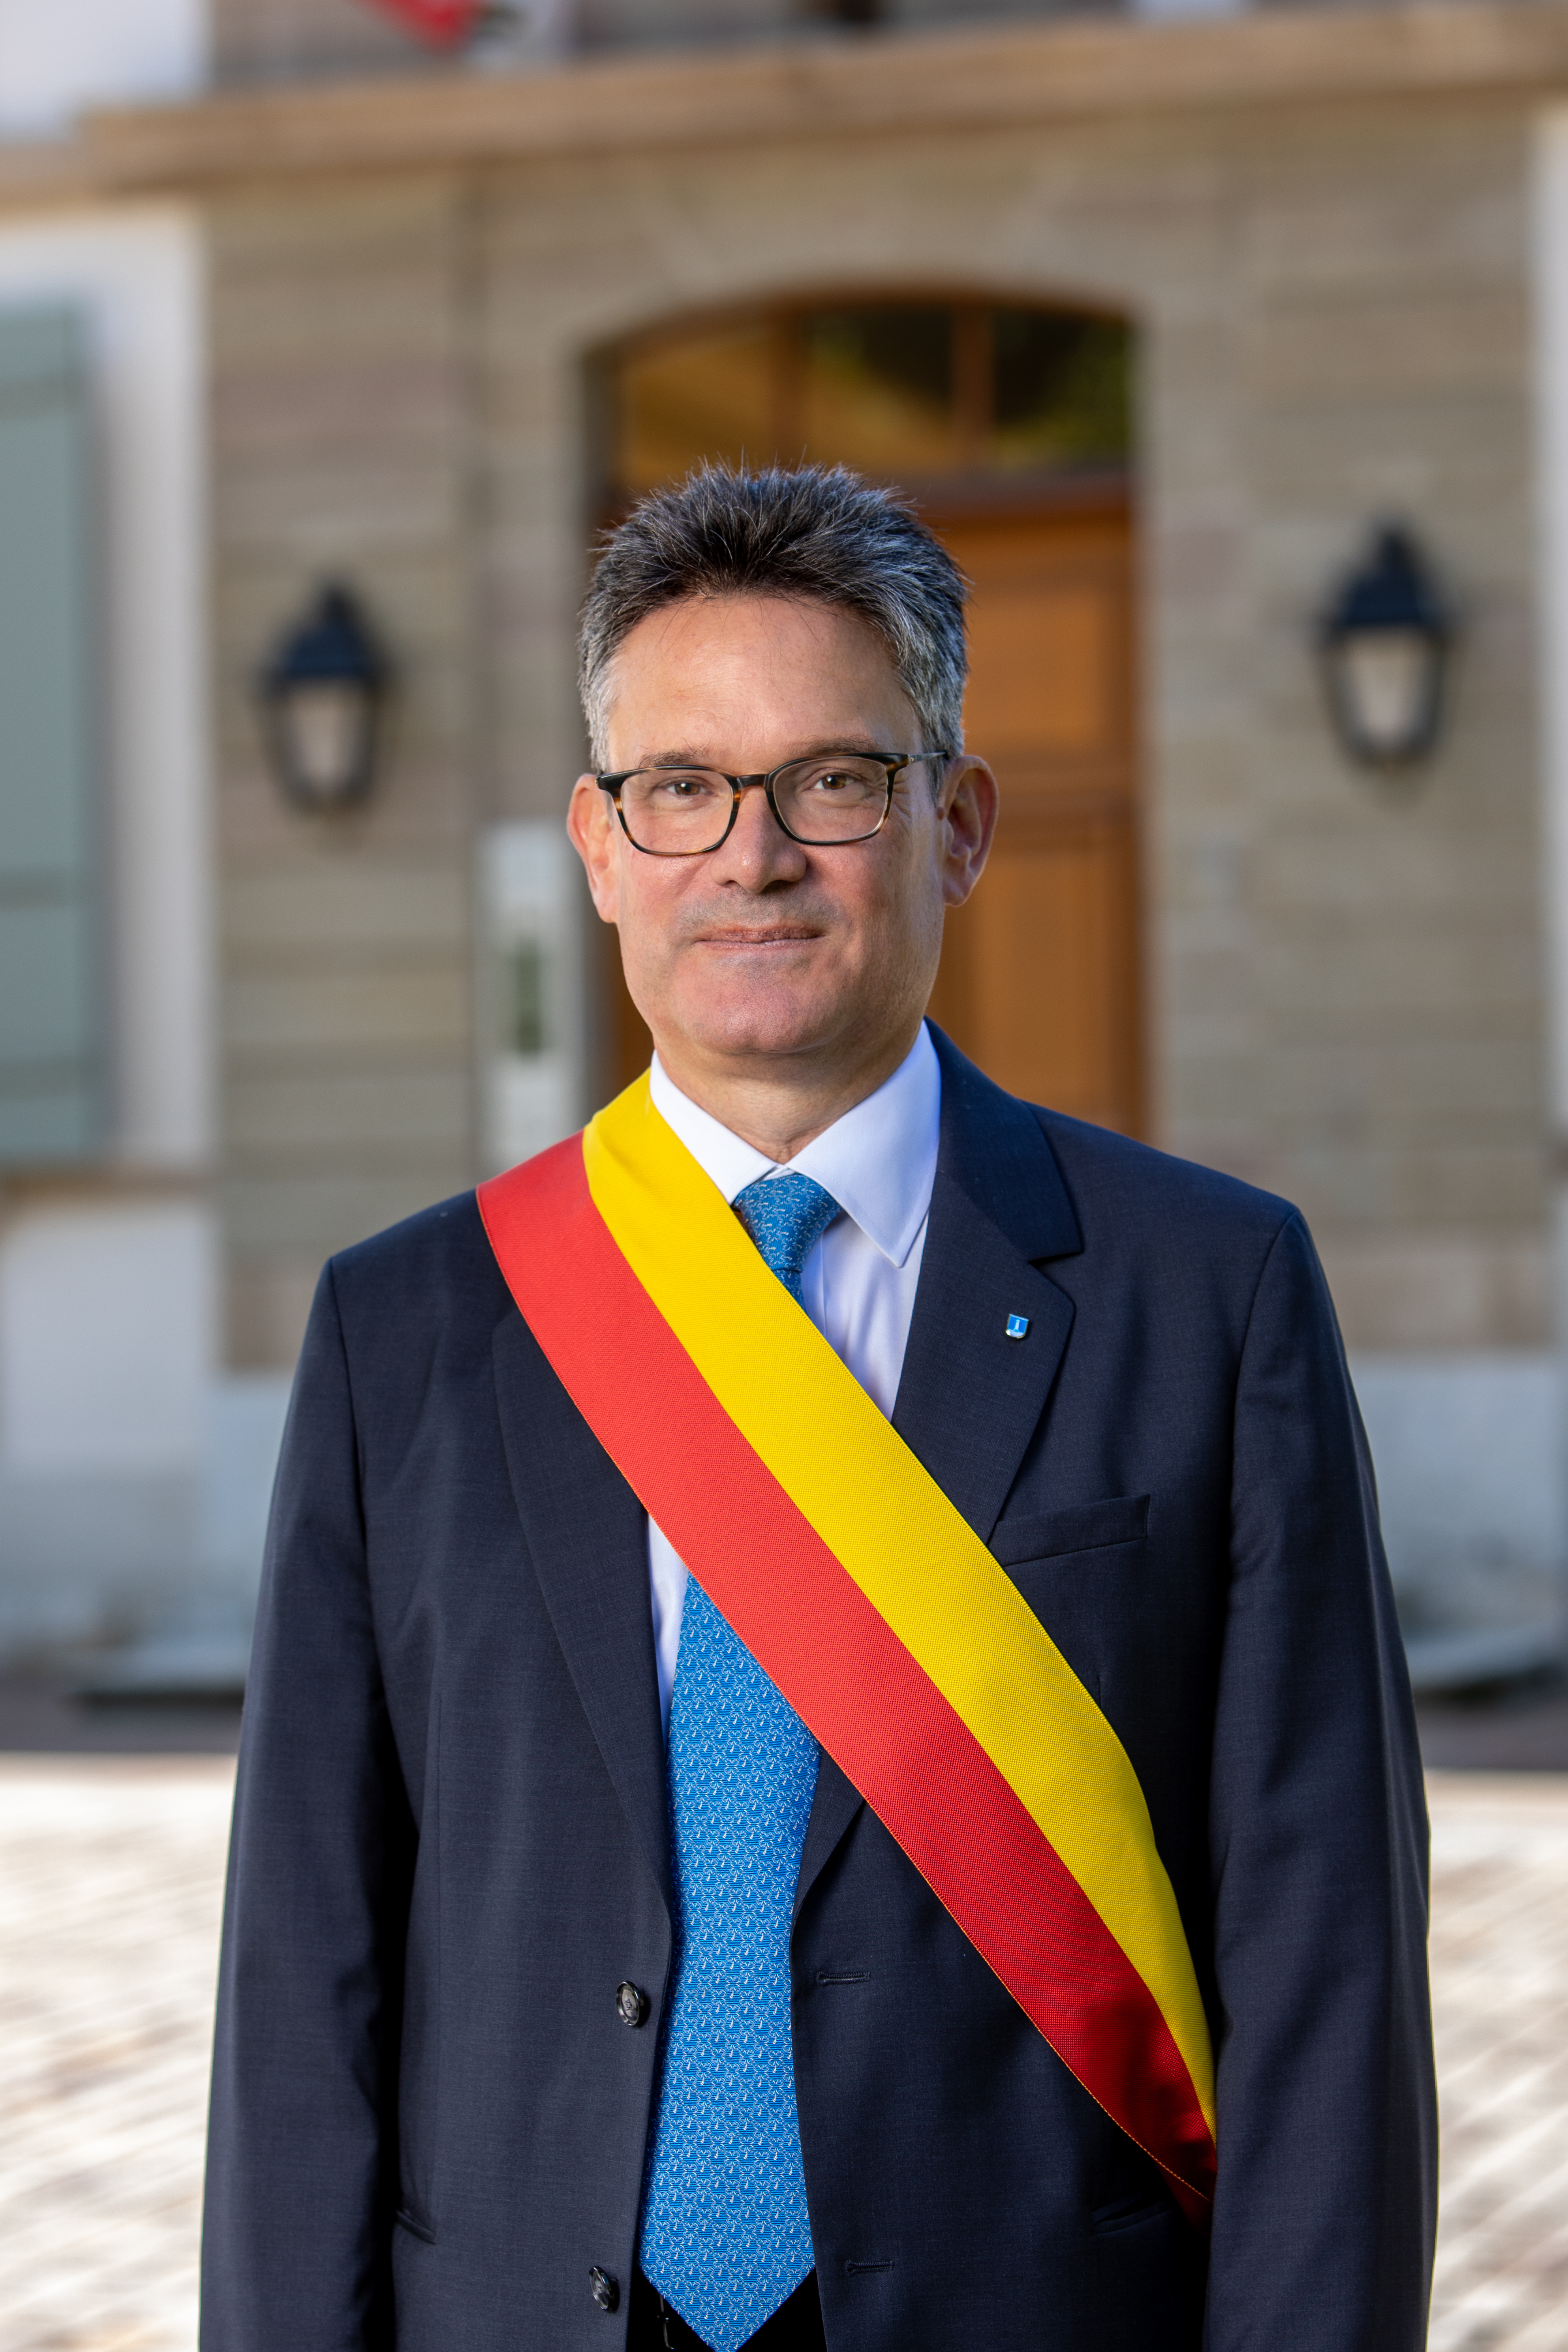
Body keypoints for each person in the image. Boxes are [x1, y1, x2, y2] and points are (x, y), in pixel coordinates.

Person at [200, 463, 1436, 2352]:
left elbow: (1325, 1964)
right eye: (679, 787)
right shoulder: (409, 1328)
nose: (750, 854)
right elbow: (308, 1974)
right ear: (598, 847)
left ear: (957, 824)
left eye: (832, 782)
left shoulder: (1210, 1294)